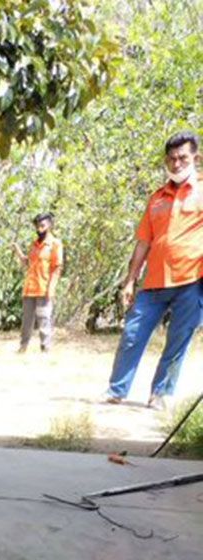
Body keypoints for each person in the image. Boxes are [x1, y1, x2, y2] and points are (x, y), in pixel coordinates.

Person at [104, 131, 203, 408]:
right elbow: (143, 243)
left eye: (183, 157)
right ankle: (116, 390)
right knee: (132, 333)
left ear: (196, 158)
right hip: (154, 282)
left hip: (192, 281)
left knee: (178, 341)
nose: (176, 163)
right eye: (171, 159)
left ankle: (160, 394)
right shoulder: (156, 198)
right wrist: (129, 280)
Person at [13, 213, 63, 353]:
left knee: (44, 318)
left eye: (42, 226)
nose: (39, 229)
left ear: (49, 226)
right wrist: (17, 251)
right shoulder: (34, 244)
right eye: (37, 226)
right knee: (26, 321)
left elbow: (57, 267)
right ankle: (23, 347)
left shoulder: (55, 244)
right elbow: (27, 263)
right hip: (29, 288)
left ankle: (45, 347)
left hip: (44, 288)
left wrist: (51, 288)